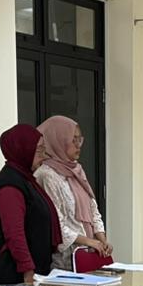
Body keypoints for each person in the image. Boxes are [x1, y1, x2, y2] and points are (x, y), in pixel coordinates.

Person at [0, 125, 62, 286]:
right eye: (39, 150)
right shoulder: (10, 185)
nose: (44, 156)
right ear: (24, 149)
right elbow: (14, 233)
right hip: (14, 276)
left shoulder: (26, 179)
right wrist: (27, 270)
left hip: (33, 271)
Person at [34, 116, 111, 270]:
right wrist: (89, 242)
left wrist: (102, 240)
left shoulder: (76, 170)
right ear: (58, 141)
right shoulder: (46, 175)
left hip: (88, 253)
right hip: (65, 260)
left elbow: (93, 209)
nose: (78, 145)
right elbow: (56, 223)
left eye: (79, 140)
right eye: (73, 140)